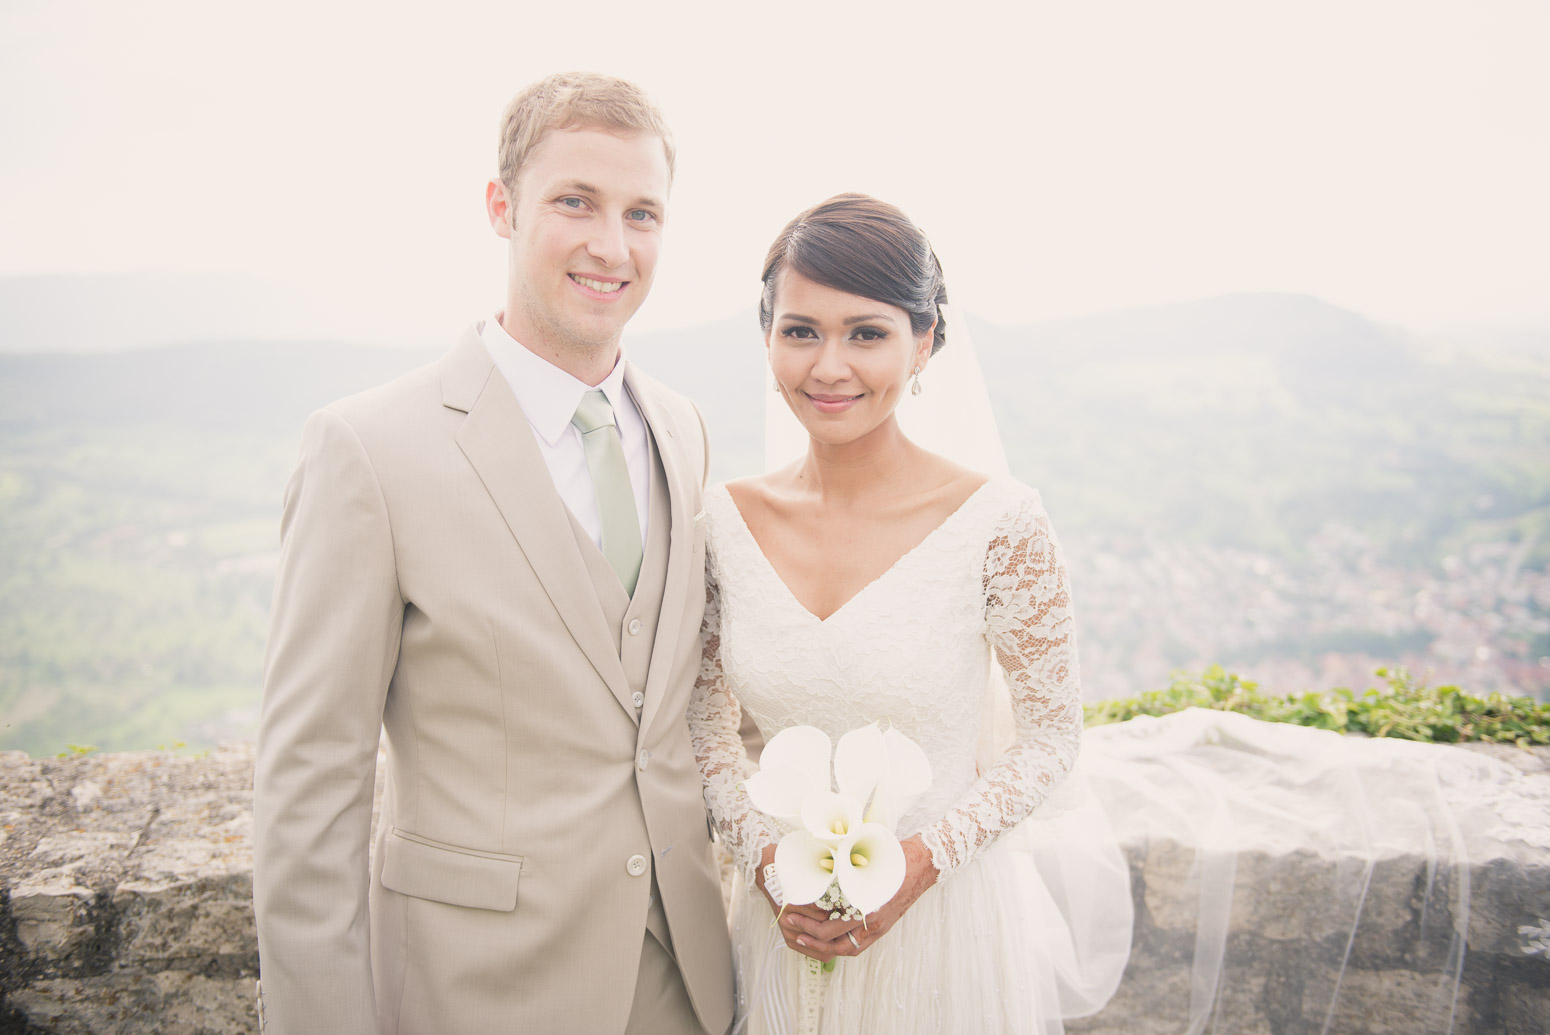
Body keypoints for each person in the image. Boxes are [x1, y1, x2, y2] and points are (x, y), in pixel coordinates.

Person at [253, 73, 734, 1035]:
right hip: (479, 994)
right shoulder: (369, 451)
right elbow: (311, 788)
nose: (613, 244)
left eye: (643, 213)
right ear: (500, 207)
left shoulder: (683, 430)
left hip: (691, 986)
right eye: (575, 202)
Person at [688, 194, 1132, 1034]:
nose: (829, 366)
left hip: (947, 926)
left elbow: (1050, 739)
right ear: (769, 338)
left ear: (925, 342)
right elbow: (706, 730)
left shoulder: (1001, 522)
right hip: (780, 924)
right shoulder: (724, 523)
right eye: (801, 330)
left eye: (867, 333)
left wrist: (919, 866)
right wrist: (770, 864)